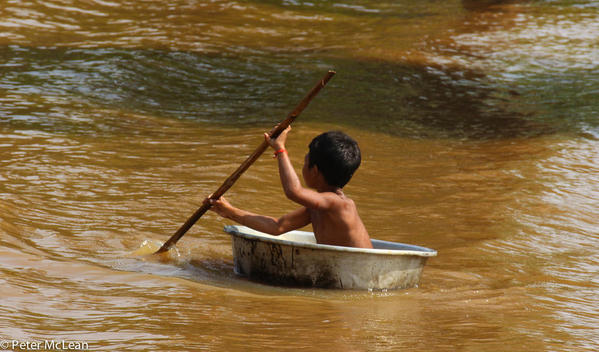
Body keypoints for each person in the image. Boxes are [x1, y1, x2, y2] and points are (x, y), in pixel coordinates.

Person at [205, 126, 372, 249]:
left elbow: (293, 191)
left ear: (314, 171)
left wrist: (280, 149)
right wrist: (229, 211)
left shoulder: (340, 204)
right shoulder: (317, 208)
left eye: (305, 161)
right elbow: (277, 227)